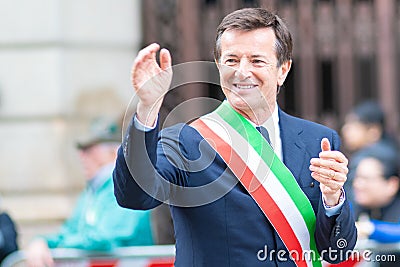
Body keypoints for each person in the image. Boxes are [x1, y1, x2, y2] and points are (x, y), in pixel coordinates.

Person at [113, 8, 357, 266]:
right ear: (218, 67)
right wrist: (148, 107)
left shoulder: (318, 141)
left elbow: (336, 252)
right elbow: (134, 195)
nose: (242, 71)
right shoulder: (185, 140)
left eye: (256, 61)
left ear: (282, 70)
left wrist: (333, 199)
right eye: (231, 60)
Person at [26, 119, 153, 267]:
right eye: (82, 150)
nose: (82, 156)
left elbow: (104, 239)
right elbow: (71, 230)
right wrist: (43, 241)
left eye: (90, 149)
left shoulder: (128, 187)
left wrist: (50, 244)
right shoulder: (92, 192)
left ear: (114, 152)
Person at [341, 100, 398, 202]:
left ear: (373, 131)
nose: (345, 129)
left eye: (354, 125)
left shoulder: (367, 158)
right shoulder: (391, 150)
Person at [353, 150, 400, 266]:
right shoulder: (355, 207)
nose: (357, 184)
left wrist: (369, 228)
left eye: (366, 179)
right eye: (357, 177)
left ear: (391, 184)